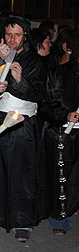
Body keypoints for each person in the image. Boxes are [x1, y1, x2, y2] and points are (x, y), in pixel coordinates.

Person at [0, 16, 46, 242]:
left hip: (23, 124)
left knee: (23, 172)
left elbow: (40, 94)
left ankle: (23, 220)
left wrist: (19, 81)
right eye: (8, 34)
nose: (12, 39)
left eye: (17, 35)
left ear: (24, 36)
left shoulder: (35, 62)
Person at [38, 30, 79, 235]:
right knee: (61, 178)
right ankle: (59, 218)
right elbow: (45, 105)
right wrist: (65, 115)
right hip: (63, 133)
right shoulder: (57, 74)